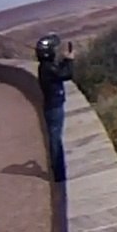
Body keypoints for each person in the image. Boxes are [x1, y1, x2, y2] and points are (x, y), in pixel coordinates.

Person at [35, 33, 74, 182]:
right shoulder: (47, 68)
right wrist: (70, 60)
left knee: (55, 138)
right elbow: (66, 74)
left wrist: (64, 60)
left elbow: (59, 72)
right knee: (55, 139)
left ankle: (59, 171)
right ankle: (59, 174)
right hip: (54, 108)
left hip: (53, 106)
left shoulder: (45, 67)